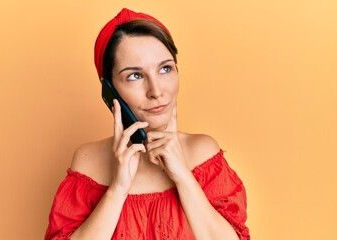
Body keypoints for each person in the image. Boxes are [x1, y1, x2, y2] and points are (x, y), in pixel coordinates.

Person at [45, 8, 250, 240]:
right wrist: (118, 188)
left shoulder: (203, 153)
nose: (156, 91)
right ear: (109, 89)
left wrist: (183, 176)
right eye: (135, 75)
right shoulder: (88, 161)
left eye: (165, 69)